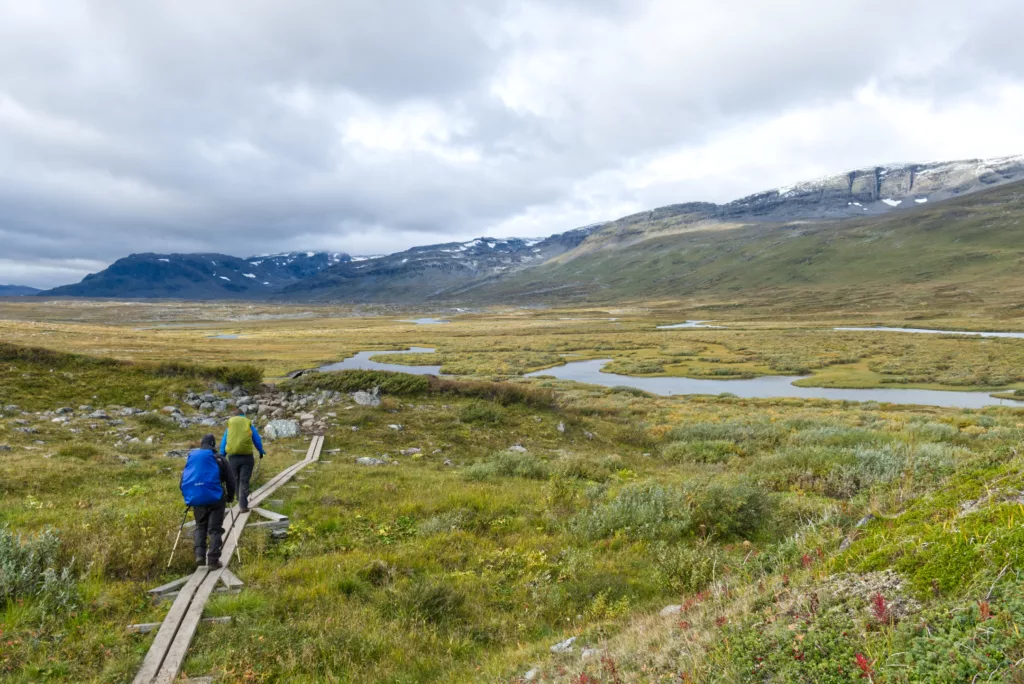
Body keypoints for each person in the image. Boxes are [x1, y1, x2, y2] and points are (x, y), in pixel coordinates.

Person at [181, 433, 235, 569]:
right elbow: (230, 480)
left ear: (201, 444)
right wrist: (230, 496)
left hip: (197, 499)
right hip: (216, 499)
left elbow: (183, 481)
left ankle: (199, 555)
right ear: (213, 444)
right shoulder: (220, 460)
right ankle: (213, 560)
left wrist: (189, 497)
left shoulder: (193, 459)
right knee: (215, 530)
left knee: (200, 526)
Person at [220, 408, 266, 513]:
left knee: (235, 479)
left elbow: (224, 441)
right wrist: (261, 451)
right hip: (247, 457)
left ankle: (239, 500)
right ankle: (243, 505)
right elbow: (256, 439)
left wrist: (222, 455)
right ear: (243, 415)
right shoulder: (248, 424)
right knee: (244, 480)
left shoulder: (230, 426)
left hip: (233, 458)